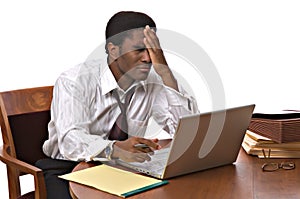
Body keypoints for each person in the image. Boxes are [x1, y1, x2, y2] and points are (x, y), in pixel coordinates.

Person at [36, 11, 198, 198]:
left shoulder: (154, 80)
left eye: (152, 50)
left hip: (122, 168)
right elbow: (70, 140)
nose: (148, 59)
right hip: (66, 167)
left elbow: (186, 134)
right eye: (139, 50)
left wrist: (166, 73)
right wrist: (115, 149)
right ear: (113, 50)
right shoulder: (74, 80)